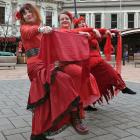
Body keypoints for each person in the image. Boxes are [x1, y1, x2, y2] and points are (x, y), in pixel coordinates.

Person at [16, 3, 89, 140]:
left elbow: (61, 34)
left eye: (29, 11)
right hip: (36, 67)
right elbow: (29, 31)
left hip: (46, 64)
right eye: (24, 14)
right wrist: (41, 29)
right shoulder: (25, 28)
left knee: (43, 103)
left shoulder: (44, 28)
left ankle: (37, 135)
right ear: (23, 18)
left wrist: (81, 33)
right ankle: (74, 115)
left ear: (35, 12)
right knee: (65, 79)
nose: (28, 14)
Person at [73, 16, 136, 109]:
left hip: (94, 59)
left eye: (83, 22)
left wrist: (111, 31)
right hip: (89, 59)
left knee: (96, 83)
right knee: (108, 69)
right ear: (76, 25)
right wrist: (95, 31)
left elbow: (101, 32)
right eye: (80, 23)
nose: (83, 23)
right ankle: (122, 87)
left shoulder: (91, 32)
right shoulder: (78, 33)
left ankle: (86, 103)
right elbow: (92, 32)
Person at [57, 11, 101, 109]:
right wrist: (90, 29)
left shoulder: (76, 33)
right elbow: (71, 32)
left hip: (78, 63)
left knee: (89, 77)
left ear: (71, 21)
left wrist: (89, 34)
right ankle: (77, 105)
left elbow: (91, 37)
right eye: (62, 19)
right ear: (59, 22)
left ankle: (81, 105)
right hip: (65, 65)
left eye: (67, 19)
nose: (64, 20)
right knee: (84, 76)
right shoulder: (58, 32)